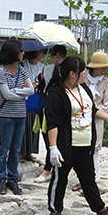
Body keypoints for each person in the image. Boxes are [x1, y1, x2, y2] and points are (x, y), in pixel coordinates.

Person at [44, 56, 108, 215]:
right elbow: (53, 122)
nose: (85, 74)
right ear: (72, 74)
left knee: (88, 179)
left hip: (84, 144)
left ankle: (101, 210)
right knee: (60, 179)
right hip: (66, 145)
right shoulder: (56, 93)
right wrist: (53, 148)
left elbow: (92, 110)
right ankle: (54, 212)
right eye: (82, 71)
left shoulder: (83, 89)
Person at [0, 38, 34, 195]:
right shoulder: (0, 72)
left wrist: (16, 91)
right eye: (20, 50)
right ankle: (0, 180)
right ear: (13, 53)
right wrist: (21, 93)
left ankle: (13, 179)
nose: (23, 53)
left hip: (20, 116)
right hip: (7, 116)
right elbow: (6, 95)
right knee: (3, 149)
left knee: (16, 150)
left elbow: (31, 91)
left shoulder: (22, 70)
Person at [72, 51, 108, 192]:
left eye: (105, 67)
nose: (104, 70)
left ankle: (92, 180)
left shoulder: (106, 82)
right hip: (80, 119)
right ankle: (82, 180)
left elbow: (106, 104)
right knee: (81, 150)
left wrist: (94, 112)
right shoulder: (84, 80)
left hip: (97, 120)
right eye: (101, 67)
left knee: (95, 150)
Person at [35, 44, 68, 183]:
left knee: (61, 139)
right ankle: (48, 169)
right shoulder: (47, 69)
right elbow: (41, 86)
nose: (56, 59)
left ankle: (56, 167)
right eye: (54, 56)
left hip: (62, 107)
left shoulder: (68, 70)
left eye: (59, 56)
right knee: (48, 136)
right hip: (47, 105)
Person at [20, 40, 48, 163]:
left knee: (34, 127)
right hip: (24, 98)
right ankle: (21, 152)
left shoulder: (43, 67)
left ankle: (29, 152)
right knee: (24, 127)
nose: (42, 55)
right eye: (41, 52)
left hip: (36, 99)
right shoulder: (22, 65)